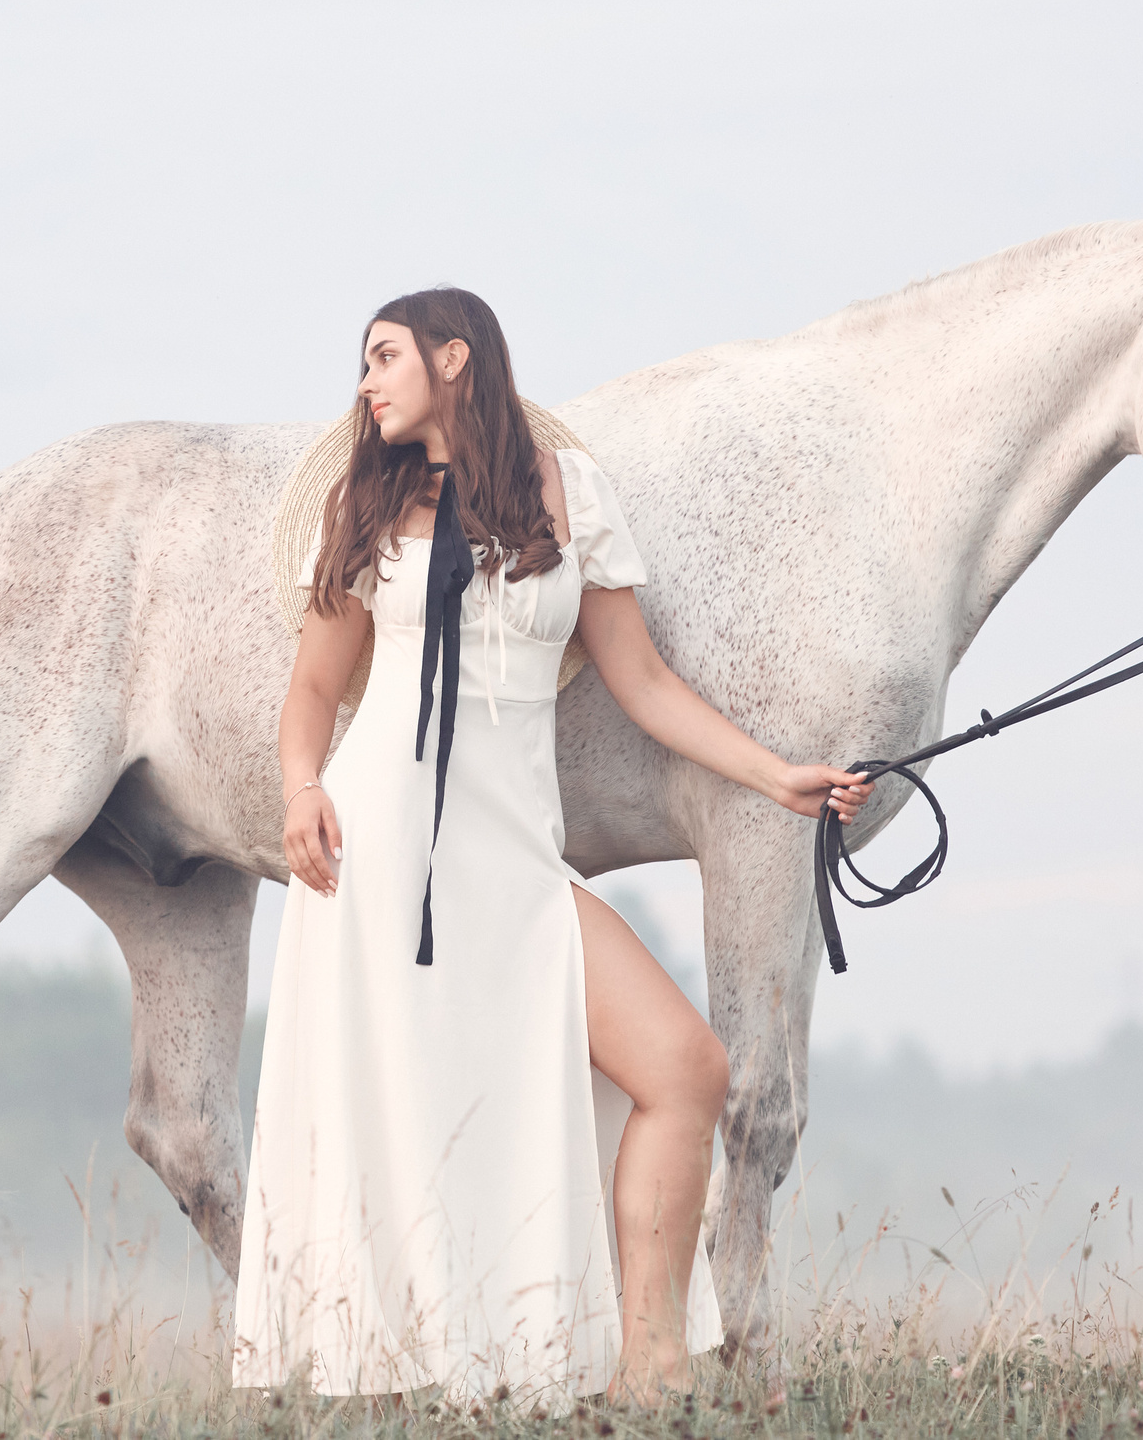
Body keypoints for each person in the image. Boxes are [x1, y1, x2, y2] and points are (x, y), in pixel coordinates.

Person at [231, 287, 868, 1410]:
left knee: (686, 1070)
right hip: (379, 857)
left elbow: (643, 684)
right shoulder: (363, 509)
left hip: (515, 864)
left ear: (454, 357)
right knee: (406, 1113)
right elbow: (313, 696)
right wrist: (297, 789)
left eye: (384, 358)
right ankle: (416, 1379)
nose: (366, 383)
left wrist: (778, 778)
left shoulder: (566, 497)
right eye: (363, 364)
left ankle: (648, 1374)